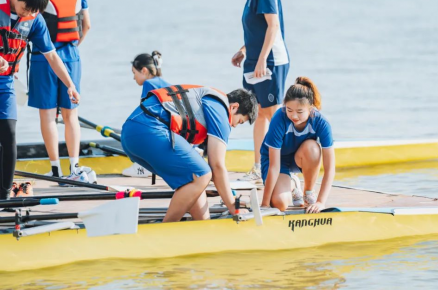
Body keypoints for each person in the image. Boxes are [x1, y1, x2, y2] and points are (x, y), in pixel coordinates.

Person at [121, 85, 258, 222]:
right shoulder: (221, 110)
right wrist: (233, 205)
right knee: (202, 174)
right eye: (239, 121)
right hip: (148, 130)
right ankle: (166, 229)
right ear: (234, 107)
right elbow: (216, 165)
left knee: (195, 175)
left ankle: (203, 224)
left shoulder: (208, 101)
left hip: (130, 135)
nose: (234, 126)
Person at [0, 0, 80, 200]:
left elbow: (52, 56)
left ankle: (4, 198)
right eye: (25, 9)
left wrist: (70, 85)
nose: (27, 15)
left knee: (8, 135)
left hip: (4, 82)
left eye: (33, 12)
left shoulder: (34, 19)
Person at [28, 0, 91, 180]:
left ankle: (55, 169)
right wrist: (73, 48)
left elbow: (27, 22)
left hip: (43, 56)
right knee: (71, 115)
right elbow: (87, 25)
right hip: (72, 54)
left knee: (47, 115)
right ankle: (75, 168)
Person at [232, 0, 290, 184]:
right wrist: (244, 50)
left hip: (271, 62)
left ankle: (284, 169)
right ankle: (259, 168)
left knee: (274, 116)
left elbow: (273, 25)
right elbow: (258, 28)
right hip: (256, 61)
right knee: (257, 114)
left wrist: (263, 59)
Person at [260, 77, 336, 213]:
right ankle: (293, 184)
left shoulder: (321, 123)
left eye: (300, 112)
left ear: (311, 108)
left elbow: (330, 169)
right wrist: (265, 204)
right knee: (280, 204)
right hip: (277, 160)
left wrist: (320, 202)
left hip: (301, 156)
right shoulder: (279, 118)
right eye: (289, 110)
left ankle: (308, 192)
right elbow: (274, 166)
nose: (294, 116)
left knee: (313, 148)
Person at [122, 50, 171, 178]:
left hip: (157, 132)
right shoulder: (166, 83)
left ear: (144, 70)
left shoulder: (149, 84)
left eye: (134, 73)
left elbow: (146, 114)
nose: (133, 77)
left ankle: (144, 166)